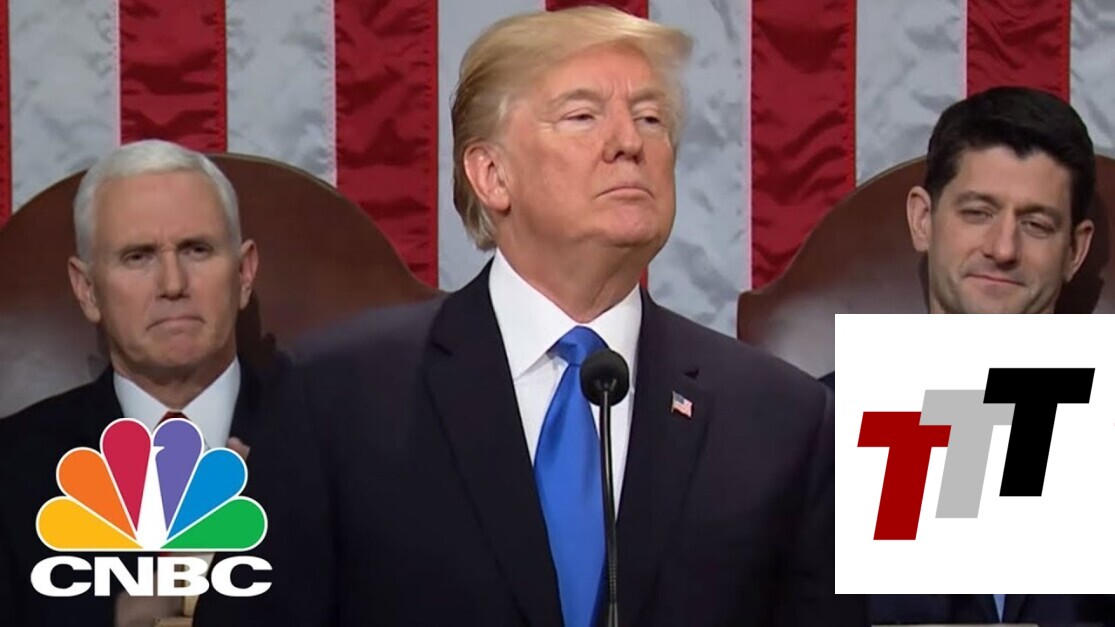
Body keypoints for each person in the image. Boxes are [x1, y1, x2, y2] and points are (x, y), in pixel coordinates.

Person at [196, 7, 864, 627]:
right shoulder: (334, 397)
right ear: (491, 174)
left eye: (651, 118)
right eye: (582, 116)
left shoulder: (783, 419)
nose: (628, 142)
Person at [823, 86, 1114, 624]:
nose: (1003, 249)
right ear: (923, 220)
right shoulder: (819, 430)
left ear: (1075, 250)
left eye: (1036, 224)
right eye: (978, 213)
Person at [0, 139, 261, 627]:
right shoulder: (10, 469)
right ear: (87, 290)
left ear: (244, 273)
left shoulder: (340, 445)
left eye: (197, 250)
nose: (173, 284)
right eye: (138, 257)